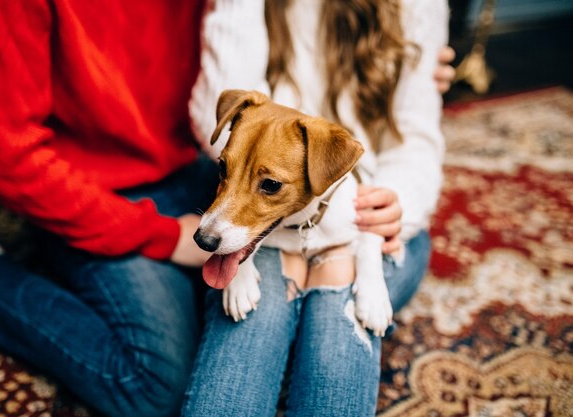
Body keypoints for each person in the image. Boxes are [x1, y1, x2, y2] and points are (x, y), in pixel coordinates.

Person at [0, 2, 454, 417]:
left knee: (320, 320)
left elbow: (415, 142)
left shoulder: (417, 11)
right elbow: (9, 159)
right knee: (158, 382)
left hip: (217, 173)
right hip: (93, 189)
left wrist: (394, 195)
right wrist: (162, 235)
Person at [181, 0, 449, 415]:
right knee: (252, 320)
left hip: (369, 208)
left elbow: (416, 142)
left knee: (337, 318)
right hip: (279, 219)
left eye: (269, 186)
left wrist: (394, 206)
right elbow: (218, 115)